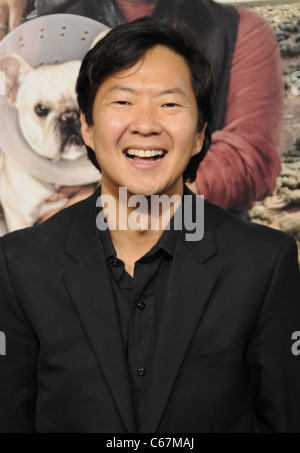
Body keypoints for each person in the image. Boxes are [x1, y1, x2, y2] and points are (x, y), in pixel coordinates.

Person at [0, 18, 299, 434]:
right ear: (87, 126)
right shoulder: (20, 264)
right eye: (122, 102)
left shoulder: (263, 263)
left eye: (170, 104)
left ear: (199, 134)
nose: (145, 124)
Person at [0, 0, 284, 214]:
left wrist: (124, 199)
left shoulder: (241, 29)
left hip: (199, 248)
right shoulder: (38, 28)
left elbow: (251, 158)